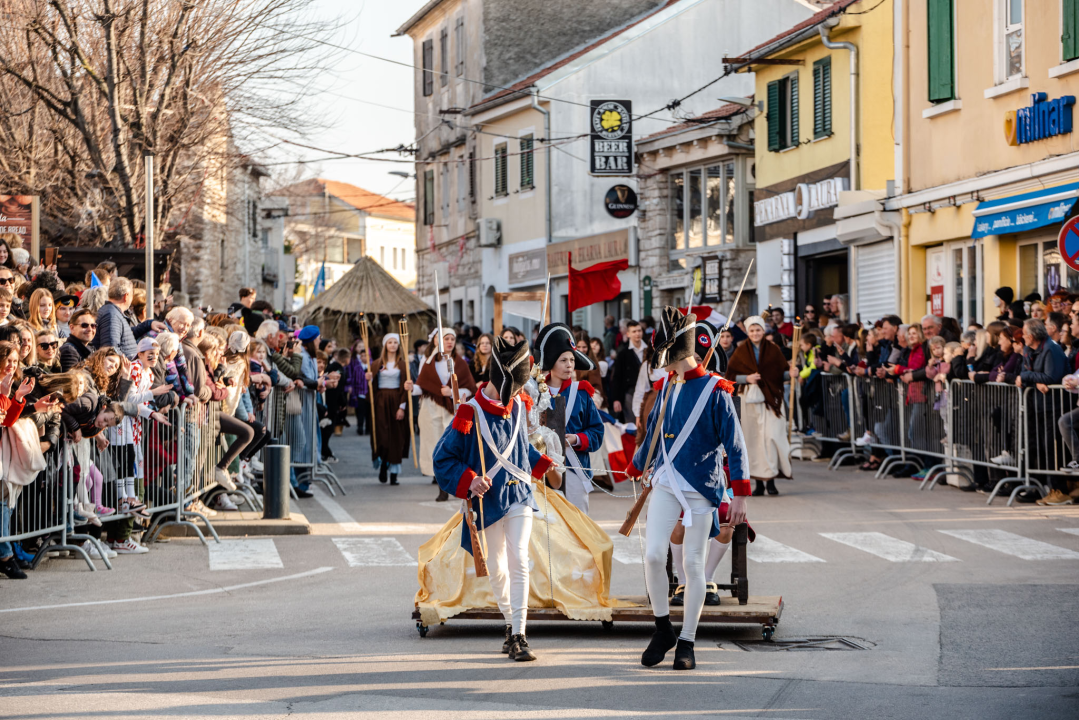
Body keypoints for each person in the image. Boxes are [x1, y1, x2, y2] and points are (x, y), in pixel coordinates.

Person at [627, 307, 749, 671]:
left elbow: (736, 444)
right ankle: (663, 627)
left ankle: (687, 640)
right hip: (665, 480)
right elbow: (653, 434)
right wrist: (636, 466)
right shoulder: (666, 388)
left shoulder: (716, 390)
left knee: (693, 566)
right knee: (651, 555)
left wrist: (740, 493)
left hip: (701, 485)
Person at [432, 336, 555, 662]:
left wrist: (542, 464)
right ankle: (510, 623)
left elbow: (519, 449)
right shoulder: (468, 413)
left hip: (518, 494)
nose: (518, 393)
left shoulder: (518, 405)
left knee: (518, 558)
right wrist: (470, 481)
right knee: (497, 569)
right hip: (486, 502)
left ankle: (519, 634)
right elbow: (443, 459)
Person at [535, 323, 603, 514]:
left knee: (578, 528)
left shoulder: (581, 393)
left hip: (575, 468)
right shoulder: (535, 394)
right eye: (563, 360)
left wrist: (576, 439)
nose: (569, 365)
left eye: (572, 360)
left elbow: (597, 432)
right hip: (542, 469)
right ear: (551, 362)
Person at [726, 315, 792, 495]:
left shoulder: (774, 350)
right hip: (749, 400)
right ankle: (759, 483)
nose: (755, 333)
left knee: (772, 437)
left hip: (771, 400)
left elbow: (781, 373)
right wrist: (746, 378)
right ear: (748, 332)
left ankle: (771, 479)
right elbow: (730, 376)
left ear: (764, 331)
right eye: (752, 330)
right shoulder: (740, 351)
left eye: (758, 330)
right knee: (753, 440)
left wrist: (791, 373)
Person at [417, 327, 476, 500]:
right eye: (446, 338)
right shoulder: (428, 361)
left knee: (452, 444)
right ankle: (440, 481)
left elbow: (469, 388)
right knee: (434, 443)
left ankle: (455, 480)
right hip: (432, 406)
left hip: (452, 407)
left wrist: (451, 392)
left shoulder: (460, 363)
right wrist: (411, 387)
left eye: (452, 338)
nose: (449, 341)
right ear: (437, 341)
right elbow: (422, 384)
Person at [367, 332, 414, 485]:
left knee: (396, 436)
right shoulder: (376, 364)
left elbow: (405, 388)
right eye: (390, 342)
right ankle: (383, 463)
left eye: (395, 342)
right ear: (385, 345)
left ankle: (394, 473)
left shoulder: (402, 364)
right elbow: (371, 386)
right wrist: (369, 378)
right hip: (381, 402)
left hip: (396, 400)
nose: (393, 345)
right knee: (382, 436)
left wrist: (402, 407)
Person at [609, 319, 645, 422]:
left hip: (648, 392)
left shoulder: (650, 350)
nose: (637, 334)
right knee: (632, 425)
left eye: (639, 330)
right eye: (634, 331)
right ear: (628, 334)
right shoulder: (623, 353)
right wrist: (616, 399)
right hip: (630, 393)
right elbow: (617, 377)